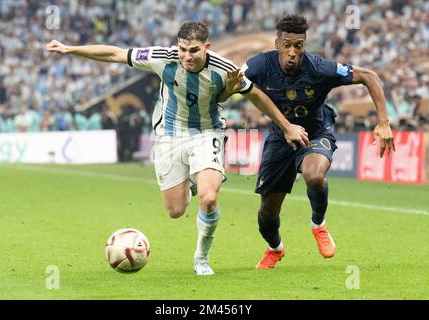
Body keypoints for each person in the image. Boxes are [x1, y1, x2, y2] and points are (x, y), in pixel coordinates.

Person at [46, 21, 309, 276]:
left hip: (207, 133)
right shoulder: (163, 57)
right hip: (169, 136)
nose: (186, 56)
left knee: (208, 198)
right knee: (176, 211)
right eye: (183, 49)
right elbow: (115, 53)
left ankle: (201, 258)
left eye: (193, 50)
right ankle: (191, 185)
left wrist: (287, 127)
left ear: (206, 46)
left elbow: (256, 95)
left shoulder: (225, 68)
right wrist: (70, 49)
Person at [223, 14, 395, 269]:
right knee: (267, 215)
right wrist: (229, 88)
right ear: (277, 43)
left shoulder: (320, 68)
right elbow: (230, 87)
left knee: (314, 176)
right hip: (280, 139)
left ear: (305, 45)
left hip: (316, 131)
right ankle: (275, 248)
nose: (293, 52)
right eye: (287, 45)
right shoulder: (259, 65)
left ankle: (318, 224)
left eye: (299, 46)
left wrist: (383, 122)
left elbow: (370, 76)